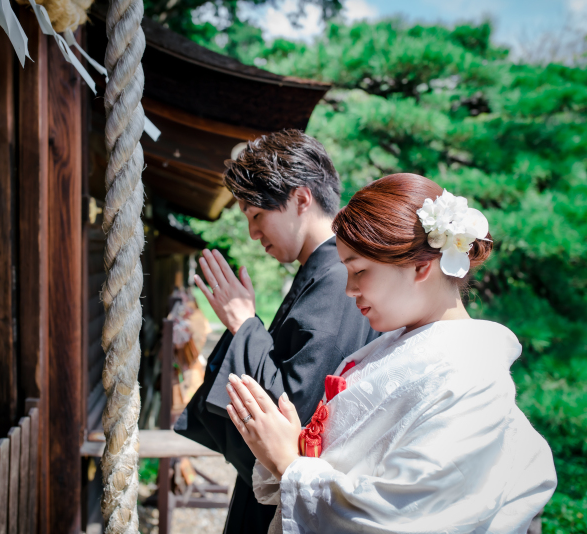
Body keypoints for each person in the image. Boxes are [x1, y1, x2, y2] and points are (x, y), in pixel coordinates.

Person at [224, 173, 557, 534]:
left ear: (420, 267)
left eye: (359, 271)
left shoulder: (471, 376)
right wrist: (295, 444)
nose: (350, 290)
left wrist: (291, 464)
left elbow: (406, 515)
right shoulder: (391, 346)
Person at [174, 130, 379, 534]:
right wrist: (244, 326)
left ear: (301, 199)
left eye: (256, 215)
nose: (253, 233)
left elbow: (295, 413)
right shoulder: (324, 270)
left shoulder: (339, 278)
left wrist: (245, 325)